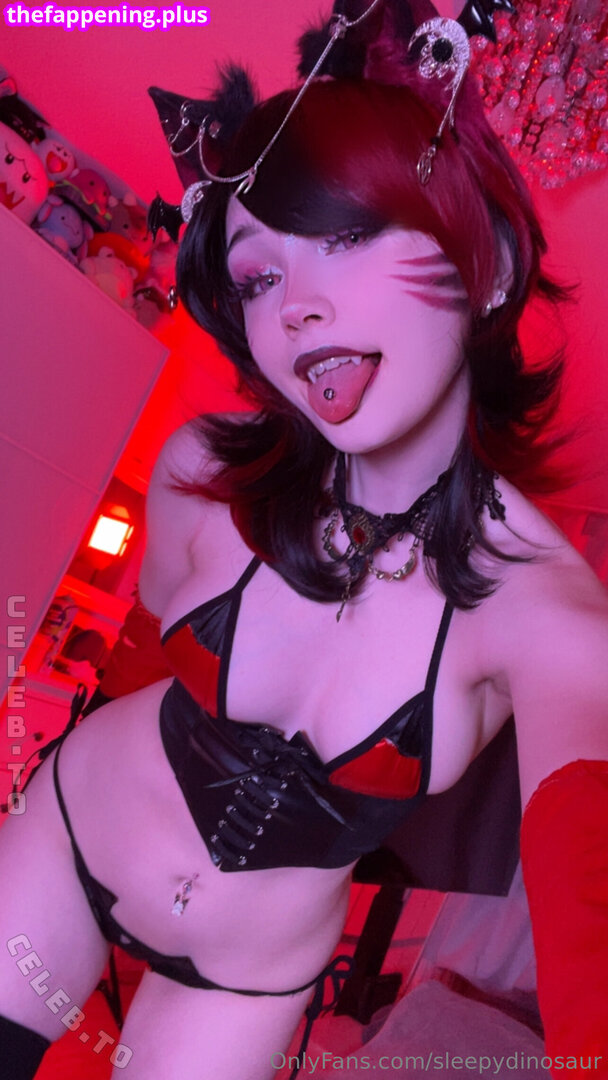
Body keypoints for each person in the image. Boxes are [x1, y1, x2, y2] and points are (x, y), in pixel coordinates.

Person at [1, 1, 608, 1077]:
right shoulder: (200, 472)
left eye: (346, 237)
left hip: (244, 978)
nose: (293, 308)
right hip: (67, 836)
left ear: (485, 268)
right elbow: (152, 618)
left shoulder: (545, 610)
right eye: (259, 275)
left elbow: (588, 891)